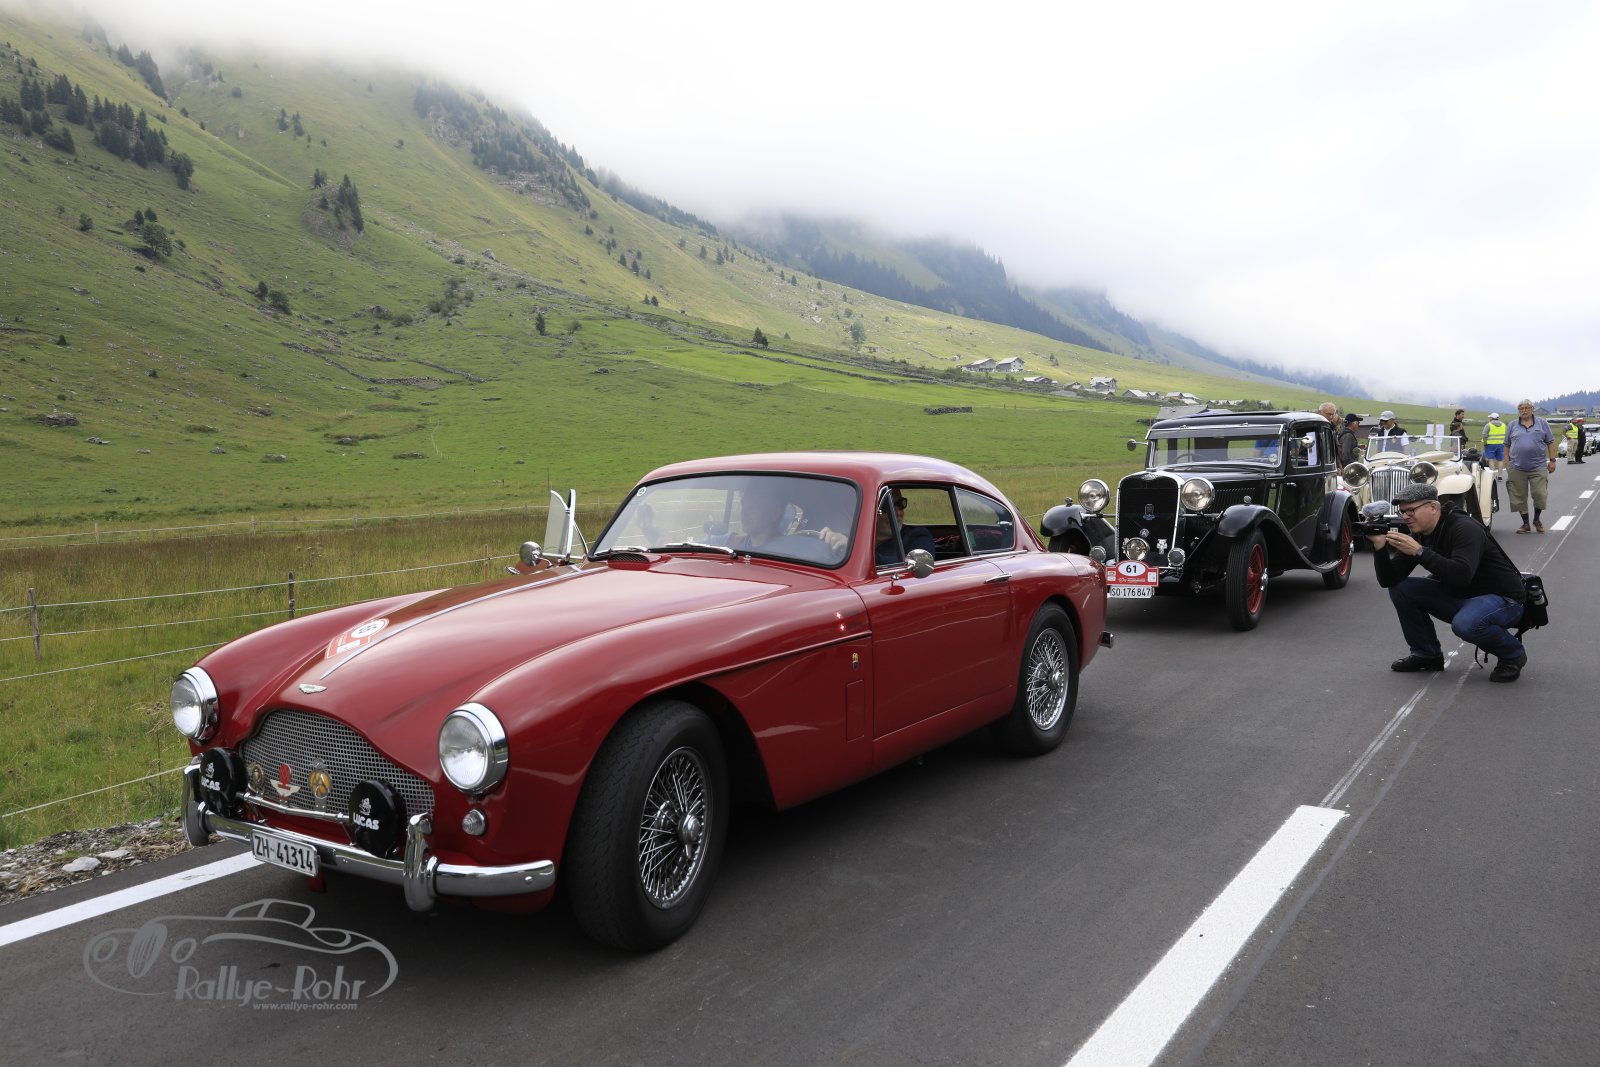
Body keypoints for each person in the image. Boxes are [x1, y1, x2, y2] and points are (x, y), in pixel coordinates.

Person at [1370, 483, 1528, 682]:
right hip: (1461, 594)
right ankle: (1426, 654)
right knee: (1401, 588)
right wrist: (1379, 547)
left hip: (1503, 599)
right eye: (1402, 512)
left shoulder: (1465, 528)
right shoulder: (1421, 533)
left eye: (1411, 510)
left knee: (1466, 624)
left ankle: (1513, 654)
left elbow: (1462, 575)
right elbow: (1389, 580)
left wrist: (1420, 552)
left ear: (1433, 507)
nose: (1405, 517)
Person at [1504, 399, 1557, 533]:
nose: (1524, 411)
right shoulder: (1512, 425)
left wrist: (1552, 460)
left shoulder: (1542, 423)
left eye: (1527, 408)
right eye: (1521, 408)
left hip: (1538, 467)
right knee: (1518, 497)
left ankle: (1536, 519)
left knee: (1540, 494)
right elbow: (1506, 445)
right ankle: (1526, 523)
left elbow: (1550, 442)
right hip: (1516, 467)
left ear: (1532, 409)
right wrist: (1507, 463)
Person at [876, 490, 935, 566]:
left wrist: (871, 560)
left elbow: (921, 561)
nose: (898, 513)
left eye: (900, 504)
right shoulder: (860, 537)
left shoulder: (917, 536)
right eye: (887, 506)